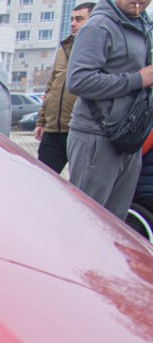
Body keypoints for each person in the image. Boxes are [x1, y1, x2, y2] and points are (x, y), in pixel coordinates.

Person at [67, 0, 153, 217]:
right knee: (86, 220)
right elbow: (78, 81)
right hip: (97, 137)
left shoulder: (143, 26)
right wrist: (136, 79)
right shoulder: (98, 26)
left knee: (114, 226)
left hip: (128, 138)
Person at [37, 3, 95, 173]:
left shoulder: (98, 49)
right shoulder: (63, 49)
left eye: (79, 19)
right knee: (42, 180)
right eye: (71, 19)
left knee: (80, 186)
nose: (73, 24)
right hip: (52, 131)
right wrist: (41, 121)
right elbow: (51, 87)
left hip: (79, 130)